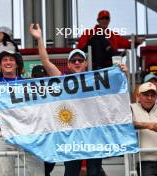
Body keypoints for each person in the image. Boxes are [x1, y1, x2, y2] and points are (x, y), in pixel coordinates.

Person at [30, 23, 128, 176]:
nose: (77, 62)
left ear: (86, 63)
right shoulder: (63, 80)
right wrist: (39, 38)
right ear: (68, 64)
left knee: (94, 172)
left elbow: (117, 91)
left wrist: (123, 73)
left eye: (80, 60)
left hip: (94, 134)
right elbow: (46, 62)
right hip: (72, 136)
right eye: (74, 60)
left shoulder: (97, 79)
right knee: (71, 172)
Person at [0, 11, 44, 176]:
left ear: (17, 64)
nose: (8, 61)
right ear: (0, 64)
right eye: (4, 59)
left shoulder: (27, 84)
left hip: (26, 134)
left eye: (11, 59)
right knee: (5, 174)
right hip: (2, 134)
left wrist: (39, 39)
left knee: (38, 172)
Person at [77, 10, 143, 70]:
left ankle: (111, 53)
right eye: (102, 18)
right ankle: (112, 52)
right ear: (98, 20)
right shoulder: (89, 32)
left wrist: (136, 42)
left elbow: (127, 44)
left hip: (108, 59)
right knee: (98, 36)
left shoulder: (113, 35)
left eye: (107, 18)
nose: (105, 20)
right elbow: (81, 47)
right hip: (92, 58)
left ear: (109, 21)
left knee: (100, 37)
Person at [132, 82, 157, 176]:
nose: (149, 98)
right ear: (138, 96)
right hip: (145, 161)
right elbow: (124, 124)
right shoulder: (131, 108)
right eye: (146, 95)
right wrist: (148, 125)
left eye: (152, 95)